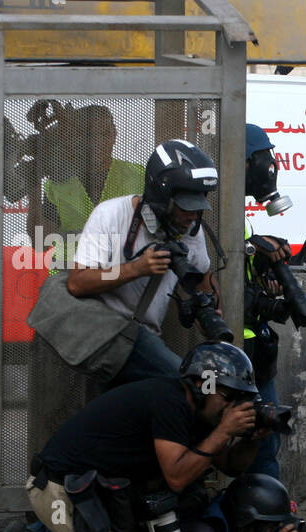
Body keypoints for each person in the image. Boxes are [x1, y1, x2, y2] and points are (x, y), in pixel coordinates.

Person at [4, 342, 262, 532]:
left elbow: (230, 466)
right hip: (60, 489)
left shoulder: (202, 413)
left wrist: (254, 438)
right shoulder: (168, 401)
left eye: (241, 399)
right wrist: (223, 432)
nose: (233, 407)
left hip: (97, 494)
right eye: (229, 397)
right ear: (200, 384)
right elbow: (177, 478)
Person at [66, 138, 219, 385]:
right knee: (185, 385)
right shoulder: (111, 215)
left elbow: (203, 277)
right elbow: (78, 282)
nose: (192, 216)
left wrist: (210, 310)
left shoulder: (191, 229)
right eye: (185, 207)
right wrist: (135, 269)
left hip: (144, 340)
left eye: (198, 207)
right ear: (162, 195)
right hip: (101, 337)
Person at [241, 123, 299, 481]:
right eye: (265, 158)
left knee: (267, 441)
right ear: (247, 161)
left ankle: (268, 517)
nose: (271, 166)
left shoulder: (238, 214)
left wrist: (264, 267)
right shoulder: (211, 209)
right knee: (247, 443)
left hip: (258, 352)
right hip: (232, 348)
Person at [23, 101, 145, 271]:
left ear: (115, 135)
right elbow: (40, 242)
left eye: (105, 134)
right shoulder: (57, 183)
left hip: (121, 275)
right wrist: (34, 190)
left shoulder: (138, 176)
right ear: (77, 138)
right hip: (68, 278)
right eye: (89, 135)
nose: (98, 142)